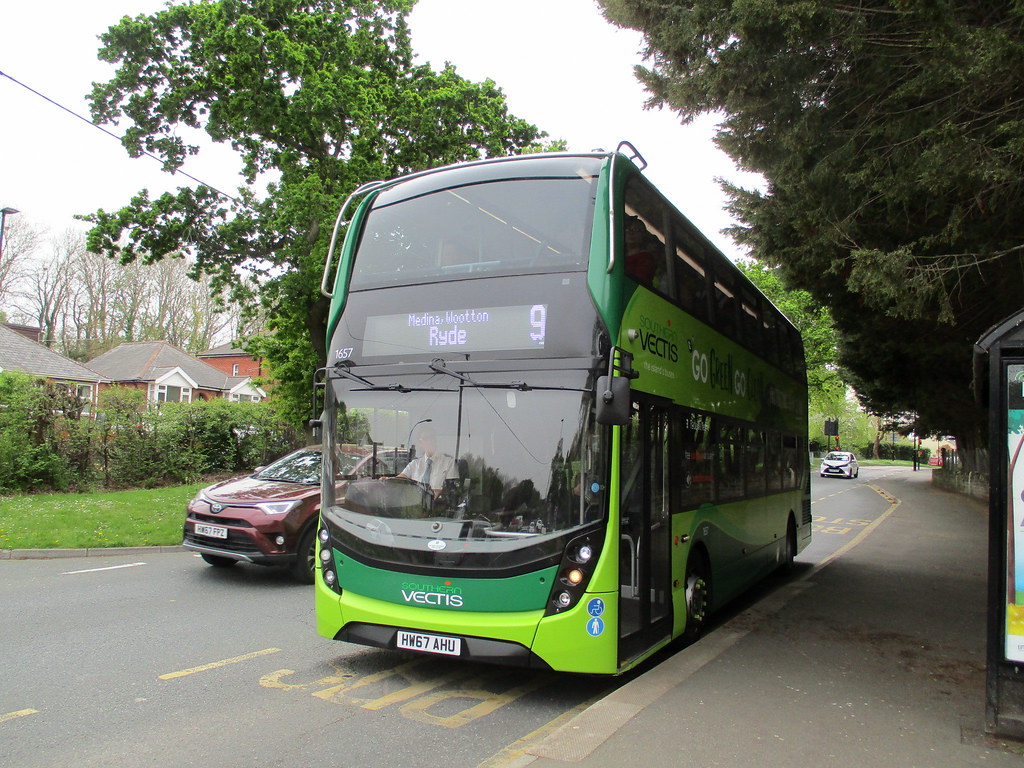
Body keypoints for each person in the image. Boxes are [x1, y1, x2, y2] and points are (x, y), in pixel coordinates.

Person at [398, 425, 458, 495]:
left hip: (439, 504)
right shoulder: (415, 464)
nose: (430, 441)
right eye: (426, 438)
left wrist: (436, 494)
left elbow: (452, 490)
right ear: (420, 443)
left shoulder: (449, 463)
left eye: (431, 437)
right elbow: (399, 480)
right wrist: (386, 480)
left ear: (435, 440)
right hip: (416, 503)